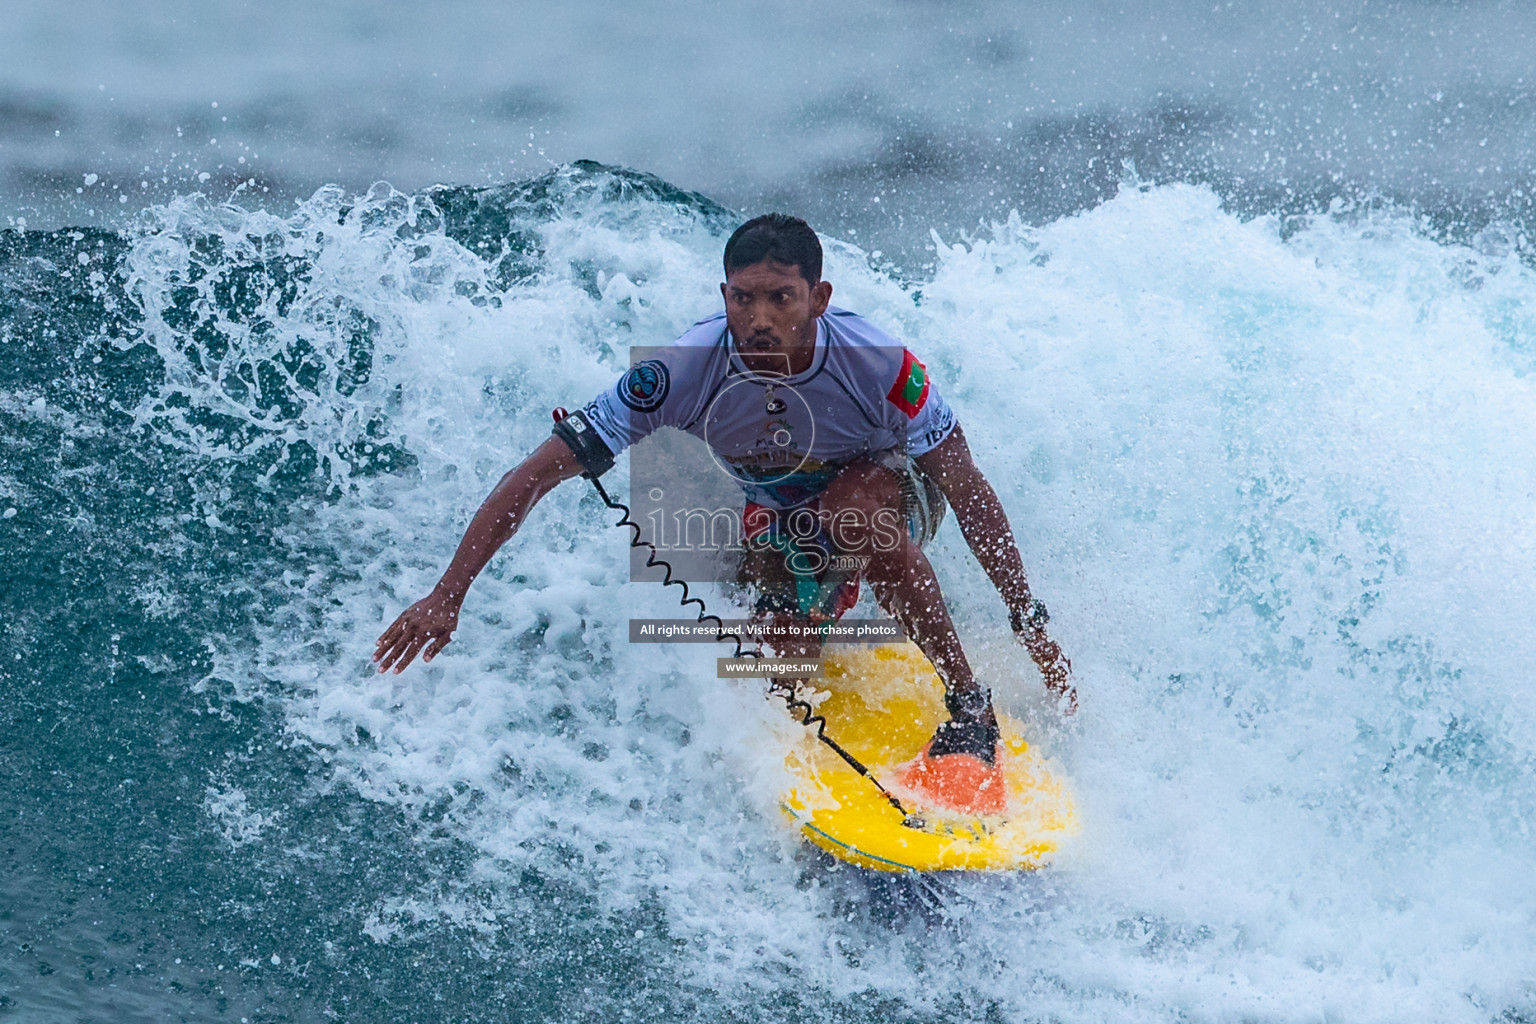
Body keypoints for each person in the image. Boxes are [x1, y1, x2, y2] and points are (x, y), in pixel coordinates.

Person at [374, 214, 1073, 770]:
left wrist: (1028, 619)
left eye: (781, 298)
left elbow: (969, 488)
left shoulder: (877, 366)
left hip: (895, 493)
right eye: (744, 298)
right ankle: (823, 589)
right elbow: (535, 475)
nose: (760, 318)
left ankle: (969, 703)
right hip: (783, 509)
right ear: (724, 298)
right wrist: (448, 594)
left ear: (819, 300)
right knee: (777, 665)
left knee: (852, 515)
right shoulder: (680, 372)